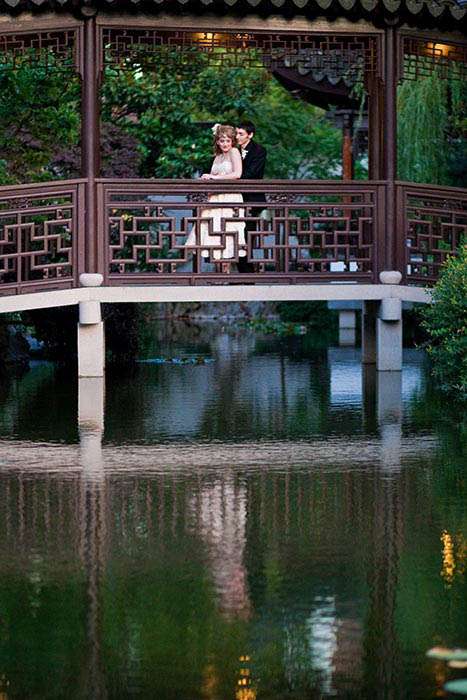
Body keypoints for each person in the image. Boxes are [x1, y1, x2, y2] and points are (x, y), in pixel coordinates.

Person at [185, 124, 246, 264]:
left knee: (226, 231)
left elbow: (237, 174)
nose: (225, 144)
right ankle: (217, 270)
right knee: (211, 230)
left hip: (229, 197)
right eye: (222, 140)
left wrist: (214, 177)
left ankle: (225, 270)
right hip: (215, 196)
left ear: (232, 141)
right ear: (217, 141)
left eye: (228, 141)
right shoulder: (218, 156)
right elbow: (214, 175)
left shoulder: (234, 152)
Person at [236, 121, 267, 273]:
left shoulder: (259, 150)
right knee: (233, 235)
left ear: (250, 135)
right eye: (236, 133)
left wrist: (231, 176)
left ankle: (247, 273)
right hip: (235, 198)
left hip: (252, 199)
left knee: (247, 235)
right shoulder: (233, 149)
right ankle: (239, 273)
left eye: (241, 134)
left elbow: (252, 173)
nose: (237, 137)